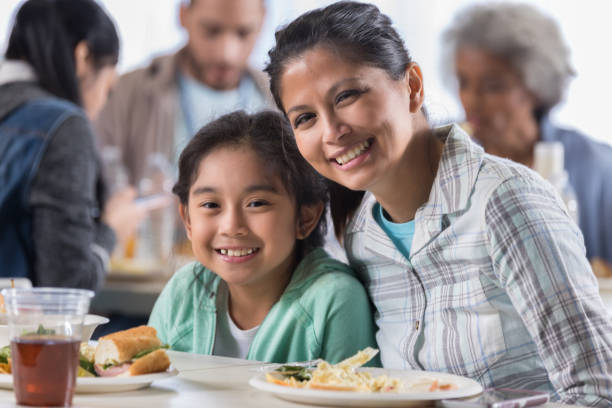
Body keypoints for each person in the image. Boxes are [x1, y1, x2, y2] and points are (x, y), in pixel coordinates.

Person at [264, 1, 612, 405]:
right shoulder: (363, 237)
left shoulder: (504, 201)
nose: (331, 131)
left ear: (412, 85)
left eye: (347, 96)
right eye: (305, 118)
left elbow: (597, 392)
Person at [148, 110, 378, 364]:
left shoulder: (334, 299)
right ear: (188, 219)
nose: (232, 226)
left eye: (257, 203)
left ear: (305, 218)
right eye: (211, 205)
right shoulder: (184, 291)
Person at [442, 3, 612, 272]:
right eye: (463, 82)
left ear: (535, 87)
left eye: (492, 86)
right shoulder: (440, 153)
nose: (471, 101)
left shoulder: (596, 165)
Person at [0, 0, 145, 289]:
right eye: (108, 89)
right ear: (82, 56)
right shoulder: (63, 126)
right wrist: (111, 229)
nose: (102, 104)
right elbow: (68, 285)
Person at [95, 0, 273, 185]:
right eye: (211, 31)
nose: (226, 54)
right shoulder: (126, 91)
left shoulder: (280, 97)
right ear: (182, 15)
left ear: (263, 22)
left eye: (243, 33)